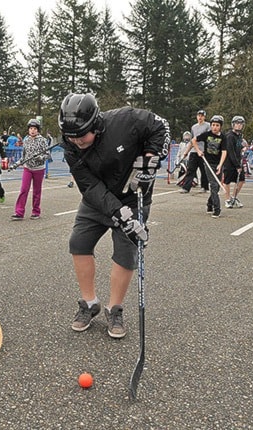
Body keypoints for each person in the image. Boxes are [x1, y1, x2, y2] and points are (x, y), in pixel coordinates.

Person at [58, 93, 169, 339]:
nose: (76, 141)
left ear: (96, 124)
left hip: (133, 194)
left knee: (126, 254)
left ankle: (114, 308)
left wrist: (151, 157)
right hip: (97, 198)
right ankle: (89, 303)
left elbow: (161, 126)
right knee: (79, 243)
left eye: (81, 135)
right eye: (71, 136)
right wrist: (120, 215)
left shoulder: (127, 119)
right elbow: (88, 185)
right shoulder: (69, 144)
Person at [11, 119, 49, 220]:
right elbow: (24, 157)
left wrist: (39, 158)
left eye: (35, 129)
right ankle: (19, 212)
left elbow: (47, 155)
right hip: (27, 168)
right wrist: (15, 164)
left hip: (39, 169)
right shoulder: (26, 140)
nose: (32, 131)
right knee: (24, 190)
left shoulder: (43, 140)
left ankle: (36, 211)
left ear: (38, 130)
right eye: (31, 128)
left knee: (36, 191)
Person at [191, 115, 227, 218]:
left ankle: (209, 204)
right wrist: (198, 151)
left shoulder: (223, 137)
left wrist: (220, 165)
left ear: (220, 126)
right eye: (213, 125)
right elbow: (194, 140)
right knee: (214, 185)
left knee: (217, 186)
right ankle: (217, 209)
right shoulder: (207, 135)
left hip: (218, 163)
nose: (215, 127)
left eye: (217, 125)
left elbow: (224, 152)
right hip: (208, 163)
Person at [179, 110, 210, 193]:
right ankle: (186, 187)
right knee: (190, 169)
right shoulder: (194, 127)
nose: (200, 117)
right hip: (193, 152)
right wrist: (186, 151)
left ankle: (205, 187)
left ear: (204, 117)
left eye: (202, 116)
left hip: (203, 151)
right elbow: (192, 141)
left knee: (204, 170)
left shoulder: (207, 126)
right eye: (199, 115)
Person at [223, 116, 246, 208]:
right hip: (229, 162)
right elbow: (230, 151)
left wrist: (242, 148)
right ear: (233, 124)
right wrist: (237, 166)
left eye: (240, 124)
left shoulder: (239, 136)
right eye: (237, 123)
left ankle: (234, 197)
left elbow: (238, 147)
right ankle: (227, 199)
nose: (239, 125)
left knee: (241, 180)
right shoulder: (229, 136)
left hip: (238, 161)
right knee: (227, 181)